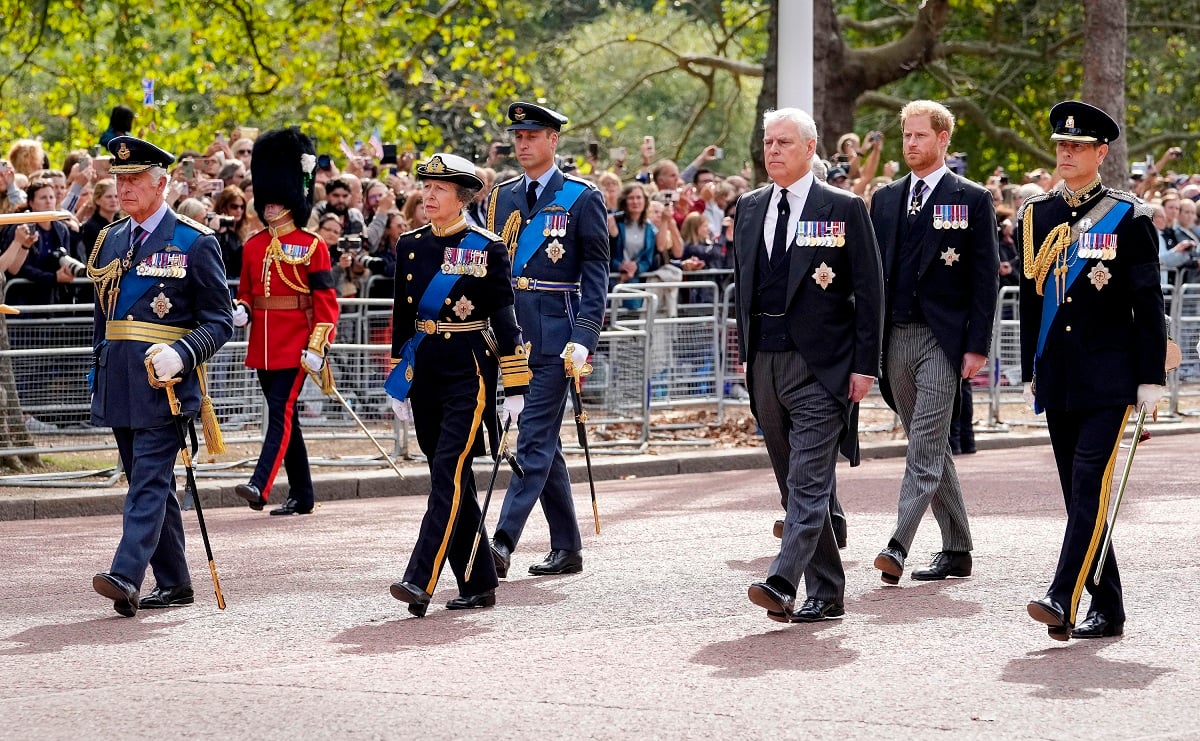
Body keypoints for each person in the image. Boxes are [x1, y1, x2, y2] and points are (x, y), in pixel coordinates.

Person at [1019, 100, 1165, 640]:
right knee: (1081, 496)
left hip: (1109, 376)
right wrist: (1030, 364)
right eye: (1061, 145)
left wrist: (1150, 377)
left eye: (1077, 147)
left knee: (1087, 483)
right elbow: (1031, 301)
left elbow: (1147, 301)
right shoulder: (1036, 215)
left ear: (1101, 153)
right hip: (1058, 374)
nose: (1066, 153)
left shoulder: (1129, 216)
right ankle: (1110, 610)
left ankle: (1063, 596)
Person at [734, 108, 883, 622]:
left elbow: (869, 292)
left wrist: (866, 365)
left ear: (811, 147)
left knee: (809, 481)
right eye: (768, 142)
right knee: (791, 481)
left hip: (823, 366)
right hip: (767, 364)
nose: (773, 150)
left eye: (784, 142)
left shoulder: (841, 207)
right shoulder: (750, 207)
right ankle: (828, 590)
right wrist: (747, 361)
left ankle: (782, 580)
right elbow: (744, 290)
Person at [85, 135, 233, 616]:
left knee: (147, 480)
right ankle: (175, 581)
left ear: (161, 183)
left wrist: (185, 352)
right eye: (119, 179)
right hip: (120, 378)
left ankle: (126, 573)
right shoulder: (110, 239)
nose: (124, 188)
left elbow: (220, 319)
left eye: (134, 179)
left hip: (164, 382)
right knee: (150, 481)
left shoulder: (193, 241)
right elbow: (101, 316)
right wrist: (98, 369)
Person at [384, 153, 530, 617]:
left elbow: (505, 319)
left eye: (439, 189)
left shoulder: (486, 248)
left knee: (448, 470)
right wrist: (398, 379)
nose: (428, 195)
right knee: (453, 479)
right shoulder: (409, 244)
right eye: (425, 187)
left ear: (462, 196)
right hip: (424, 371)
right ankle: (479, 581)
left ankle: (419, 578)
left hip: (470, 372)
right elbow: (403, 318)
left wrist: (515, 386)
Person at [866, 100, 999, 585]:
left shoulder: (972, 198)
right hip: (895, 338)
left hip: (944, 341)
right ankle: (958, 548)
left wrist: (976, 346)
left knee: (923, 444)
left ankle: (898, 543)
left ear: (943, 139)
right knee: (931, 442)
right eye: (906, 136)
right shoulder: (885, 199)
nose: (911, 144)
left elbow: (985, 280)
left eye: (921, 136)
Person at [485, 101, 610, 578]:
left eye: (532, 136)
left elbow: (596, 273)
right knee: (545, 445)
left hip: (558, 335)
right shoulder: (501, 198)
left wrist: (586, 335)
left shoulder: (580, 198)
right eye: (517, 136)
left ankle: (500, 541)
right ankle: (567, 546)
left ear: (553, 140)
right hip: (512, 335)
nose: (522, 144)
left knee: (532, 438)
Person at [232, 128, 340, 516]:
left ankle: (260, 484)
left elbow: (326, 302)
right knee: (287, 421)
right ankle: (303, 494)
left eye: (278, 202)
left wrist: (317, 345)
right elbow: (246, 290)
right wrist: (242, 307)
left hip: (295, 344)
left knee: (279, 414)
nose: (271, 208)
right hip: (261, 345)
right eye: (268, 202)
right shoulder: (253, 245)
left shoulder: (312, 246)